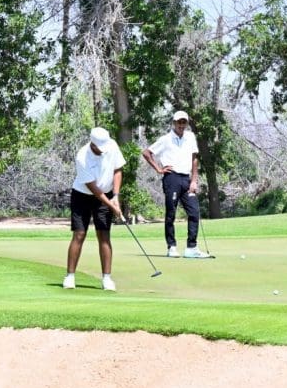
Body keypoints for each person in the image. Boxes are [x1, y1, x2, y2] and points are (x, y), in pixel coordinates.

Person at [63, 127, 126, 291]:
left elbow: (117, 170)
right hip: (82, 196)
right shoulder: (82, 156)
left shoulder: (112, 145)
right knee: (79, 234)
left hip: (107, 193)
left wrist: (115, 196)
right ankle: (70, 277)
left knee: (104, 234)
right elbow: (94, 189)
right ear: (93, 144)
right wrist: (111, 206)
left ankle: (107, 278)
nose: (103, 150)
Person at [141, 110, 209, 258]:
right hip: (171, 178)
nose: (181, 125)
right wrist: (159, 169)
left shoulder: (190, 137)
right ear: (174, 123)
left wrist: (194, 180)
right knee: (171, 213)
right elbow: (146, 153)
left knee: (194, 211)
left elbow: (194, 159)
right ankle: (171, 247)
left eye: (184, 122)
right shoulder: (166, 139)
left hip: (186, 179)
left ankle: (191, 248)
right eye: (179, 122)